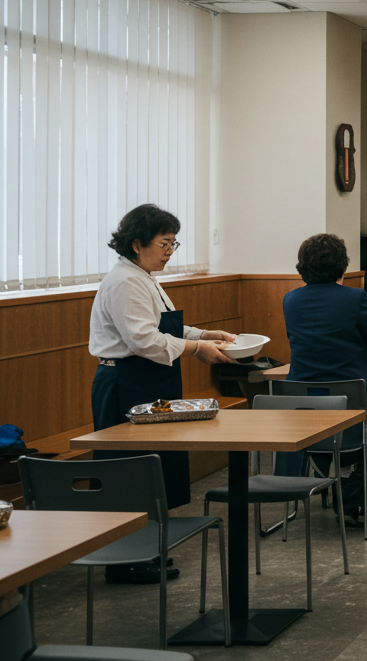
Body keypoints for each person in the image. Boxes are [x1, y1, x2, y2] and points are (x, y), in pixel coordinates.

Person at [88, 204, 235, 584]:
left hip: (147, 381)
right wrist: (197, 349)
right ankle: (125, 559)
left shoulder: (143, 277)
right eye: (164, 243)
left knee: (152, 469)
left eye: (174, 243)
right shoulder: (125, 281)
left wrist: (204, 335)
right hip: (125, 383)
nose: (170, 251)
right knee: (129, 473)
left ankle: (146, 549)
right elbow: (143, 339)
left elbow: (163, 327)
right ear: (137, 244)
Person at [283, 233, 367, 528]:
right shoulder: (354, 298)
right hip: (356, 401)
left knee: (361, 436)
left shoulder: (290, 300)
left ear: (302, 266)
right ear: (341, 266)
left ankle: (349, 495)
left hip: (305, 406)